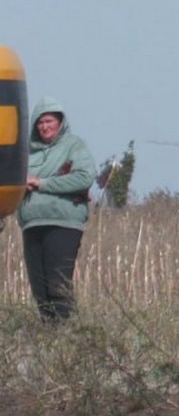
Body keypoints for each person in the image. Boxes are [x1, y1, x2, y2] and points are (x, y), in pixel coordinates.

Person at [19, 97, 95, 321]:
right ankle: (48, 338)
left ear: (60, 122)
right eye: (40, 122)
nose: (44, 126)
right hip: (32, 224)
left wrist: (40, 183)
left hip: (63, 224)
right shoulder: (27, 154)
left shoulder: (74, 146)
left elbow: (83, 178)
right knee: (39, 289)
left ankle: (65, 337)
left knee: (57, 285)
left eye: (49, 121)